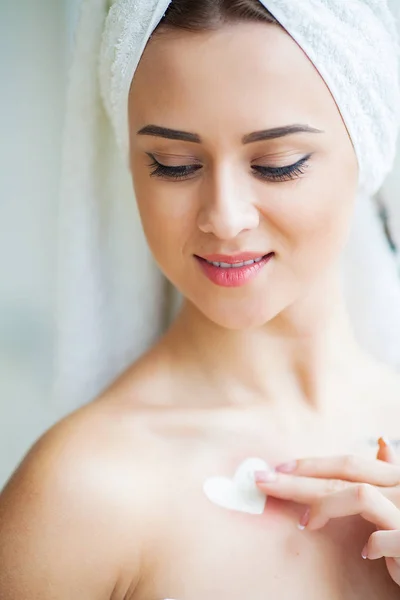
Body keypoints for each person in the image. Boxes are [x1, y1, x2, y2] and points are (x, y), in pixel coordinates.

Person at [1, 0, 400, 598]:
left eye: (277, 165)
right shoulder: (85, 494)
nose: (225, 218)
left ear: (370, 143)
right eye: (174, 164)